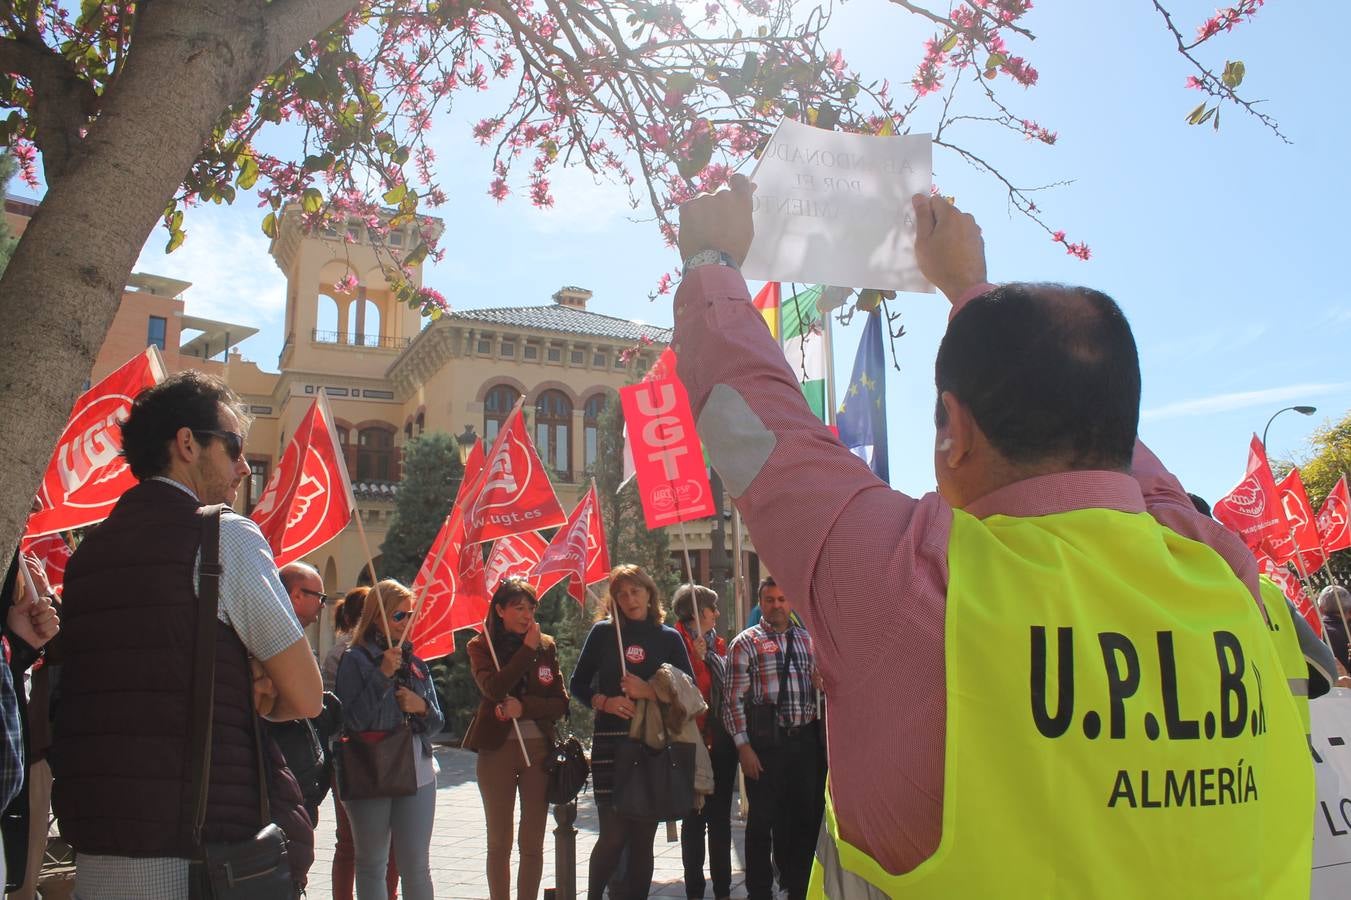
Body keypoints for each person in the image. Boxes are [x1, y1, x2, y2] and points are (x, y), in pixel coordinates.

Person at [671, 177, 1314, 896]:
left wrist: (709, 262)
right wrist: (970, 292)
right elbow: (1118, 450)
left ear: (954, 430)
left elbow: (752, 425)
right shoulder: (1216, 564)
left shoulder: (909, 583)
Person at [49, 370, 322, 899]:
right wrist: (255, 685)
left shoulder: (88, 556)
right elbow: (307, 695)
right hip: (196, 850)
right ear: (188, 443)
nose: (245, 465)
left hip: (97, 840)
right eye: (235, 445)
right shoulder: (223, 536)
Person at [569, 565, 693, 900]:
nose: (629, 599)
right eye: (621, 594)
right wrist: (604, 701)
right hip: (610, 742)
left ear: (650, 593)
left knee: (642, 838)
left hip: (650, 745)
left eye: (635, 591)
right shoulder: (603, 633)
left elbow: (689, 690)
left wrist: (649, 691)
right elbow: (577, 684)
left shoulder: (668, 637)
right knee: (611, 834)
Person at [335, 579, 443, 900]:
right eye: (399, 616)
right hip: (371, 770)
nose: (406, 623)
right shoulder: (354, 659)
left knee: (417, 867)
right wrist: (382, 675)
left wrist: (421, 706)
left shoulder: (417, 663)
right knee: (371, 864)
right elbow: (351, 720)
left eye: (410, 615)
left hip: (419, 773)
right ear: (376, 617)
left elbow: (438, 722)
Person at [463, 578, 569, 900]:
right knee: (499, 841)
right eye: (518, 608)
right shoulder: (481, 646)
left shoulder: (545, 645)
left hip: (537, 750)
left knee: (532, 840)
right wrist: (525, 651)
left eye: (531, 608)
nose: (526, 615)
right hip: (496, 751)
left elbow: (560, 703)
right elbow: (494, 688)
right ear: (500, 610)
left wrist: (524, 707)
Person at [722, 577, 820, 900]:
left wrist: (822, 680)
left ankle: (798, 885)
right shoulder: (745, 643)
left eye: (782, 599)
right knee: (762, 823)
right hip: (766, 746)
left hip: (805, 744)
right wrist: (743, 747)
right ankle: (759, 891)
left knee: (805, 818)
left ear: (791, 602)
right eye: (770, 600)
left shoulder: (808, 641)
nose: (777, 605)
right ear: (760, 603)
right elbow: (733, 701)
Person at [327, 586, 401, 900]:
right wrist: (382, 673)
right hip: (351, 756)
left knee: (389, 844)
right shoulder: (345, 654)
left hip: (390, 756)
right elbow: (348, 713)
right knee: (351, 843)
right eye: (397, 614)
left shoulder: (398, 651)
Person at [0, 549, 60, 896]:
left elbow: (60, 650)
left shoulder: (21, 570)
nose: (35, 503)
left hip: (28, 755)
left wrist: (21, 645)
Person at [670, 584, 736, 900]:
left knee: (720, 820)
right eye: (713, 608)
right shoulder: (676, 642)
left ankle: (723, 889)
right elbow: (685, 690)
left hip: (719, 740)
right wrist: (696, 661)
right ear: (698, 613)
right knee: (695, 820)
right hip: (691, 741)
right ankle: (695, 890)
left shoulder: (718, 645)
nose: (718, 614)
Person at [267, 561, 343, 824]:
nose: (323, 605)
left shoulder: (289, 636)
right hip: (281, 769)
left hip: (298, 774)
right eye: (320, 597)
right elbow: (303, 704)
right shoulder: (272, 639)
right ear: (297, 595)